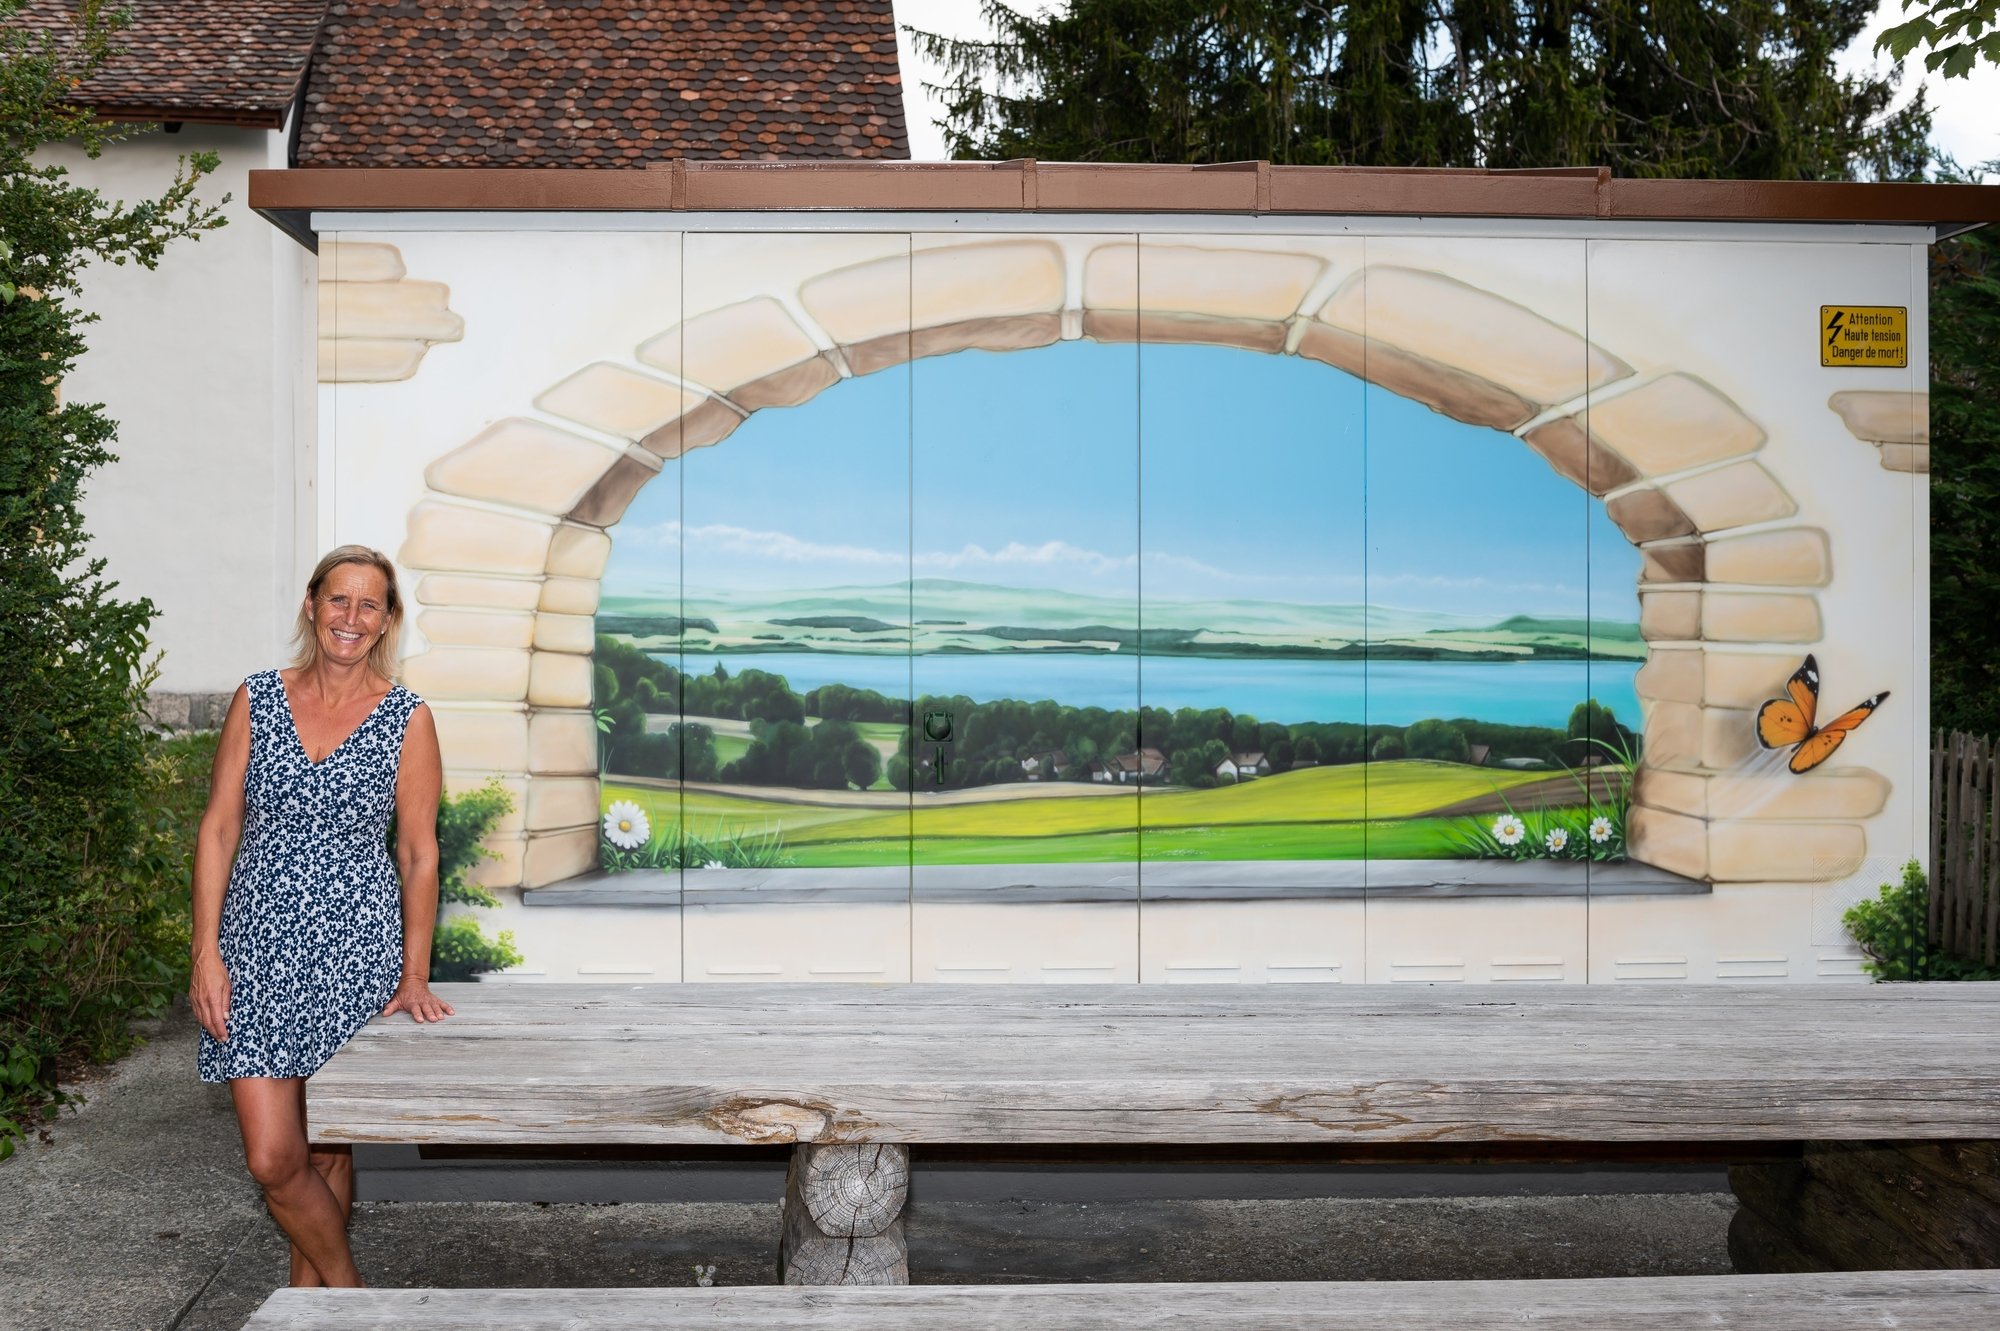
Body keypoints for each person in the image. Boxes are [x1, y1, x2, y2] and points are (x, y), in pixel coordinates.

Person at [187, 545, 453, 1288]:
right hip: (257, 949)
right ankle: (353, 1296)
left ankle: (313, 1308)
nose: (351, 616)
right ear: (312, 604)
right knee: (275, 1157)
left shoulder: (409, 719)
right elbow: (217, 828)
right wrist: (206, 952)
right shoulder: (258, 696)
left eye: (370, 604)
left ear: (387, 620)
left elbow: (418, 854)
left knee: (328, 1148)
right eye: (339, 599)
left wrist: (414, 971)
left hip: (353, 954)